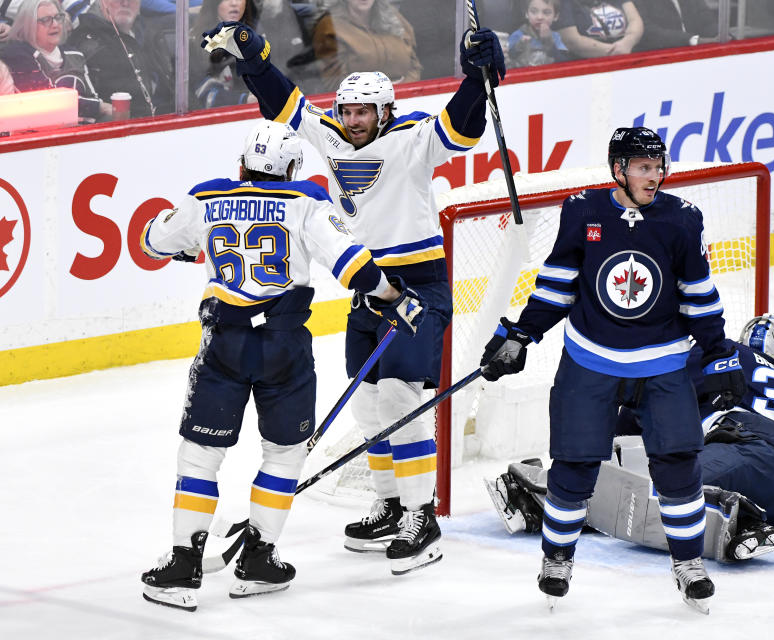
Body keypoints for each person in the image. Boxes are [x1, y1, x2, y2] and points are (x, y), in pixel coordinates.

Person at [198, 18, 504, 574]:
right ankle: (389, 503)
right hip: (368, 293)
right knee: (368, 409)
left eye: (364, 112)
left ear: (384, 111)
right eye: (347, 111)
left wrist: (476, 78)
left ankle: (421, 515)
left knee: (401, 403)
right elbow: (284, 104)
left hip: (417, 287)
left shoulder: (412, 139)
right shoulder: (333, 135)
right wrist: (251, 59)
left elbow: (461, 128)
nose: (353, 120)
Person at [138, 120, 427, 612]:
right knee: (284, 454)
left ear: (242, 164)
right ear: (292, 167)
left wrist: (195, 242)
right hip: (283, 346)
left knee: (200, 457)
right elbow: (355, 267)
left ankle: (183, 564)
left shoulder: (207, 197)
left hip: (222, 345)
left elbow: (153, 242)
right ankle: (259, 560)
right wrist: (395, 295)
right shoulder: (307, 199)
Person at [478, 126, 745, 613]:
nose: (655, 176)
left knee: (678, 465)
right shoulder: (583, 209)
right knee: (575, 466)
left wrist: (717, 349)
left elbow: (698, 295)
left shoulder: (683, 219)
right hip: (590, 357)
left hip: (662, 359)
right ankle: (557, 557)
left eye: (659, 166)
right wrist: (523, 333)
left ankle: (687, 563)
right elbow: (558, 283)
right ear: (618, 169)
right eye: (644, 167)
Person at [487, 314, 774, 563]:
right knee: (672, 494)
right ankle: (744, 518)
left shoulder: (728, 356)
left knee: (665, 491)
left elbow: (652, 385)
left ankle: (541, 499)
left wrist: (607, 452)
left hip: (742, 450)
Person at [0, 0, 111, 121]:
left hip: (85, 131)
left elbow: (92, 97)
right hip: (42, 133)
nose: (55, 24)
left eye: (58, 17)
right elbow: (46, 100)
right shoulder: (16, 54)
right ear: (28, 24)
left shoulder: (75, 54)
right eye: (46, 20)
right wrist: (100, 107)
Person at [67, 0, 173, 118]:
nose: (125, 2)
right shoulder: (89, 43)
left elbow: (171, 88)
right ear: (102, 2)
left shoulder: (151, 34)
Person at [301, 0, 420, 93]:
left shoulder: (394, 18)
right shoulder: (328, 26)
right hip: (360, 108)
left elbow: (414, 64)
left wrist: (404, 90)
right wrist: (382, 93)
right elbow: (334, 82)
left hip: (407, 99)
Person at [189, 0, 259, 108]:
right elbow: (202, 92)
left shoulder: (258, 35)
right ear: (214, 4)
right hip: (222, 119)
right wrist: (245, 100)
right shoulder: (196, 42)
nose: (234, 3)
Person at [554, 0, 644, 58]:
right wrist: (615, 51)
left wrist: (629, 42)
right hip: (589, 68)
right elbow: (572, 41)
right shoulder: (563, 3)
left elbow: (635, 20)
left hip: (630, 58)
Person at [507, 0, 571, 68]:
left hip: (548, 76)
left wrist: (550, 45)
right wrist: (518, 47)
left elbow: (564, 62)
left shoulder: (555, 36)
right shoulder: (518, 35)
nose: (539, 17)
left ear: (555, 16)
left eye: (546, 13)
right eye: (534, 12)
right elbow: (507, 59)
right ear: (527, 13)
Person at [632, 0, 717, 51]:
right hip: (657, 64)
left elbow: (707, 22)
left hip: (697, 58)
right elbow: (647, 31)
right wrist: (692, 40)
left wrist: (723, 33)